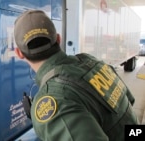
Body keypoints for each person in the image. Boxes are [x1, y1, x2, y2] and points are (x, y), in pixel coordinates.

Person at [14, 10, 139, 141]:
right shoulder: (90, 61)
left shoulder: (52, 99)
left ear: (19, 53)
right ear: (58, 39)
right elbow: (129, 101)